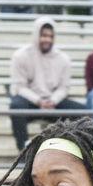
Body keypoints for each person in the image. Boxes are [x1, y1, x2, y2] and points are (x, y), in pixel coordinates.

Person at [8, 16, 84, 152]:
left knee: (84, 112)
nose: (47, 39)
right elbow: (20, 87)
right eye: (43, 35)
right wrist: (39, 101)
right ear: (36, 35)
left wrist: (53, 100)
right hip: (30, 102)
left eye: (50, 36)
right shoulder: (21, 56)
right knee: (16, 106)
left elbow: (64, 88)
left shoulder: (63, 59)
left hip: (53, 102)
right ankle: (23, 150)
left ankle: (73, 151)